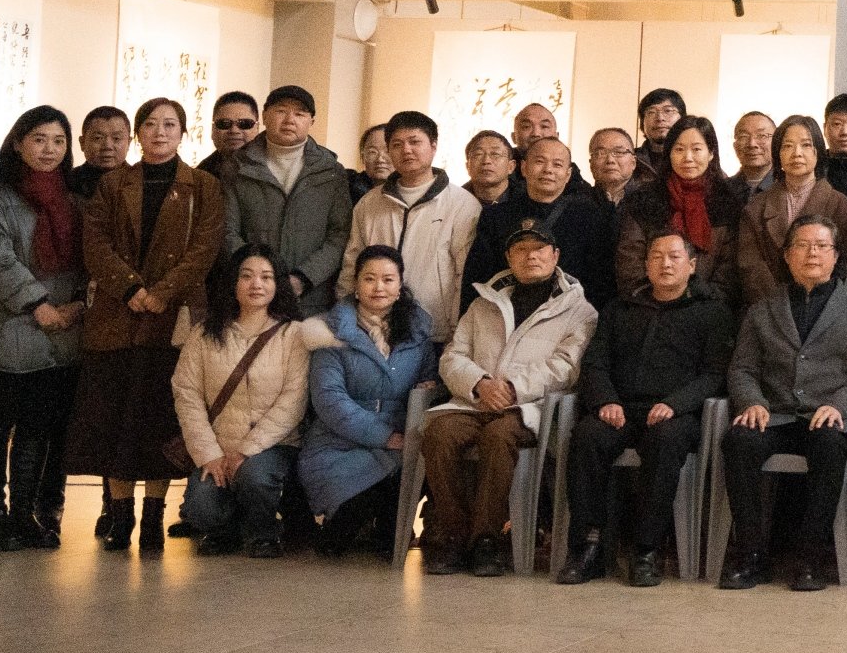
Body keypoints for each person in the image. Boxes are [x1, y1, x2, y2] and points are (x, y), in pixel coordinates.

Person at [66, 97, 220, 551]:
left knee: (159, 418)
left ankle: (153, 518)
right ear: (138, 133)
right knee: (112, 419)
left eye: (170, 125)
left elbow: (205, 249)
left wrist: (163, 292)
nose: (160, 132)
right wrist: (131, 288)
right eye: (150, 124)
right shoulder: (114, 183)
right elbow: (95, 243)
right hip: (117, 315)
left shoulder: (204, 185)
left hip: (174, 316)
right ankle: (120, 517)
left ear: (183, 133)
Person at [417, 223, 596, 576]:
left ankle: (487, 539)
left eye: (539, 249)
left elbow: (566, 367)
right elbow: (453, 356)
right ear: (509, 258)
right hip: (474, 401)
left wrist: (513, 388)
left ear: (555, 256)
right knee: (438, 433)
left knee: (498, 436)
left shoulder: (579, 311)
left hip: (529, 407)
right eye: (521, 250)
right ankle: (454, 534)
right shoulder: (483, 303)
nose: (531, 256)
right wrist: (480, 384)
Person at [720, 216, 847, 591]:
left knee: (829, 445)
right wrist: (752, 402)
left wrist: (839, 404)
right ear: (787, 255)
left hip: (827, 418)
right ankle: (751, 555)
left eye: (822, 246)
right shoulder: (762, 310)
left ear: (836, 256)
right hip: (775, 415)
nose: (812, 253)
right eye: (802, 245)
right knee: (739, 441)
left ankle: (811, 558)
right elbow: (743, 368)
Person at [560, 230, 732, 586]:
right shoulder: (620, 308)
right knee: (588, 435)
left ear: (692, 266)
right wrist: (606, 400)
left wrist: (674, 404)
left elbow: (714, 375)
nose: (665, 264)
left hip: (675, 413)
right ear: (646, 264)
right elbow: (595, 363)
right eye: (656, 256)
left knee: (665, 441)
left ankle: (646, 550)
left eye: (674, 257)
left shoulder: (711, 311)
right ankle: (588, 547)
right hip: (620, 408)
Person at [0, 105, 86, 551]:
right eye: (39, 139)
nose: (49, 149)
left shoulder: (75, 203)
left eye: (58, 140)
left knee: (38, 427)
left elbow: (87, 263)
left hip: (60, 334)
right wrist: (38, 304)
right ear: (18, 143)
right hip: (4, 330)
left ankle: (24, 514)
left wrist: (77, 304)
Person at [296, 244, 436, 558]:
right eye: (369, 279)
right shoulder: (329, 333)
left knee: (415, 471)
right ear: (356, 285)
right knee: (342, 532)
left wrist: (427, 389)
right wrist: (383, 436)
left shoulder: (418, 333)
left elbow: (427, 384)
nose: (378, 287)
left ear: (400, 286)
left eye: (388, 279)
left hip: (401, 437)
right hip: (338, 441)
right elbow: (329, 400)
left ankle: (387, 527)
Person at [170, 244, 308, 557]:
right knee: (200, 507)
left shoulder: (294, 335)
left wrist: (247, 450)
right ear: (233, 282)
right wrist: (209, 454)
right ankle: (225, 532)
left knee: (255, 477)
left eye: (266, 277)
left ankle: (263, 533)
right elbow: (186, 393)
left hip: (273, 445)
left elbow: (293, 401)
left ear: (278, 284)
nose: (256, 284)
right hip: (217, 445)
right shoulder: (204, 333)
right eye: (246, 276)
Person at [343, 110, 480, 334]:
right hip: (372, 328)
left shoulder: (462, 204)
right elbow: (352, 264)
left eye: (414, 142)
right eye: (397, 144)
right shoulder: (369, 203)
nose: (406, 150)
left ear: (433, 146)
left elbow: (464, 274)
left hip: (435, 330)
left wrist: (457, 331)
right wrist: (348, 320)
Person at [220, 84, 352, 314]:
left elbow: (340, 234)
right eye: (281, 111)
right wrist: (259, 276)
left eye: (299, 113)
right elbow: (227, 230)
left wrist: (303, 278)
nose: (290, 120)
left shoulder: (330, 171)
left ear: (311, 121)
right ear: (265, 116)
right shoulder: (237, 167)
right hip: (251, 295)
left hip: (311, 297)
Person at [466, 135, 617, 305]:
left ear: (568, 174)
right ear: (524, 168)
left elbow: (601, 281)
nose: (548, 170)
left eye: (557, 164)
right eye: (539, 161)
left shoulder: (589, 216)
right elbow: (477, 276)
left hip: (570, 312)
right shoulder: (496, 216)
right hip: (507, 312)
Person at [615, 114, 750, 299]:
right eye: (679, 149)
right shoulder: (644, 199)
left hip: (709, 305)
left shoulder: (728, 201)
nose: (688, 157)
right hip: (650, 305)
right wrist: (657, 299)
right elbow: (630, 262)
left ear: (711, 153)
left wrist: (699, 301)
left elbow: (729, 271)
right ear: (669, 154)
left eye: (696, 149)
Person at [730, 116, 847, 311]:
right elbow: (751, 267)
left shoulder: (839, 204)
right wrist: (779, 308)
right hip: (769, 308)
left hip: (823, 308)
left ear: (818, 151)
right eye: (788, 146)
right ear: (778, 154)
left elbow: (843, 264)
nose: (797, 153)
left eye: (806, 145)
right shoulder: (756, 206)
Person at [70, 104, 129, 199]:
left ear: (129, 143)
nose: (108, 146)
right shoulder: (65, 182)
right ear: (82, 143)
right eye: (98, 138)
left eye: (116, 138)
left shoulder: (140, 181)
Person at [197, 91, 258, 182]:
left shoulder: (275, 168)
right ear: (213, 130)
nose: (234, 130)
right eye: (224, 124)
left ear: (257, 128)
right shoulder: (201, 176)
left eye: (244, 123)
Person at [729, 111, 778, 196]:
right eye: (744, 136)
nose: (752, 144)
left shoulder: (790, 186)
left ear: (776, 143)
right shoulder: (721, 190)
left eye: (762, 135)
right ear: (735, 146)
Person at [463, 130, 514, 209]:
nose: (486, 161)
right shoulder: (455, 201)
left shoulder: (528, 198)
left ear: (511, 166)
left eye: (495, 154)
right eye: (478, 154)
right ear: (467, 166)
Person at [588, 127, 637, 208]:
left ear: (633, 163)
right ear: (591, 163)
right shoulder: (578, 203)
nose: (610, 160)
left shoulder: (651, 200)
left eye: (619, 152)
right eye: (601, 153)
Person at [635, 88, 686, 163]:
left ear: (683, 119)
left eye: (668, 111)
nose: (660, 118)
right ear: (642, 122)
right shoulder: (629, 160)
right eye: (652, 112)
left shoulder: (693, 160)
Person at [349, 122, 392, 206]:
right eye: (372, 152)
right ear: (362, 157)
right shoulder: (348, 187)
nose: (380, 159)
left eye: (387, 151)